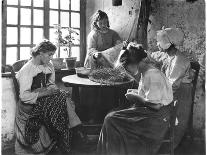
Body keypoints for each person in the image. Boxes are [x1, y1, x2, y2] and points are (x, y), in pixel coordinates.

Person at [97, 43, 174, 155]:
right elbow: (150, 95)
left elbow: (156, 105)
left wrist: (136, 97)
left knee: (111, 119)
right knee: (111, 115)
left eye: (127, 67)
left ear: (135, 63)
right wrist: (136, 93)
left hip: (156, 120)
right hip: (151, 113)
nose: (127, 71)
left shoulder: (153, 75)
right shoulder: (146, 71)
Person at [15, 40, 87, 155]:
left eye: (52, 54)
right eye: (50, 54)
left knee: (63, 95)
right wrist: (46, 93)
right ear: (40, 53)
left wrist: (53, 89)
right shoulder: (27, 70)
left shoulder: (49, 65)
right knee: (62, 100)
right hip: (31, 101)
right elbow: (24, 96)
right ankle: (75, 131)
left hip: (44, 96)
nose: (51, 58)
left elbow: (51, 84)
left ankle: (69, 136)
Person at [147, 27, 193, 147]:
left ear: (167, 44)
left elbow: (172, 86)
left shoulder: (179, 61)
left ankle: (169, 146)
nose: (157, 44)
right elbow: (155, 56)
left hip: (181, 94)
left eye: (159, 41)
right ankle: (157, 139)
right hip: (172, 91)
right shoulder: (169, 55)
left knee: (175, 120)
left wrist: (156, 95)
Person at [80, 10, 122, 123]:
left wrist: (120, 45)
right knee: (94, 90)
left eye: (105, 22)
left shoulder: (112, 33)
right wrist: (96, 54)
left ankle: (107, 114)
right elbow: (90, 49)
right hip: (94, 63)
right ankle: (92, 116)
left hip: (107, 64)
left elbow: (119, 44)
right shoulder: (93, 34)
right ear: (96, 22)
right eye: (101, 22)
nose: (103, 25)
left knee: (107, 89)